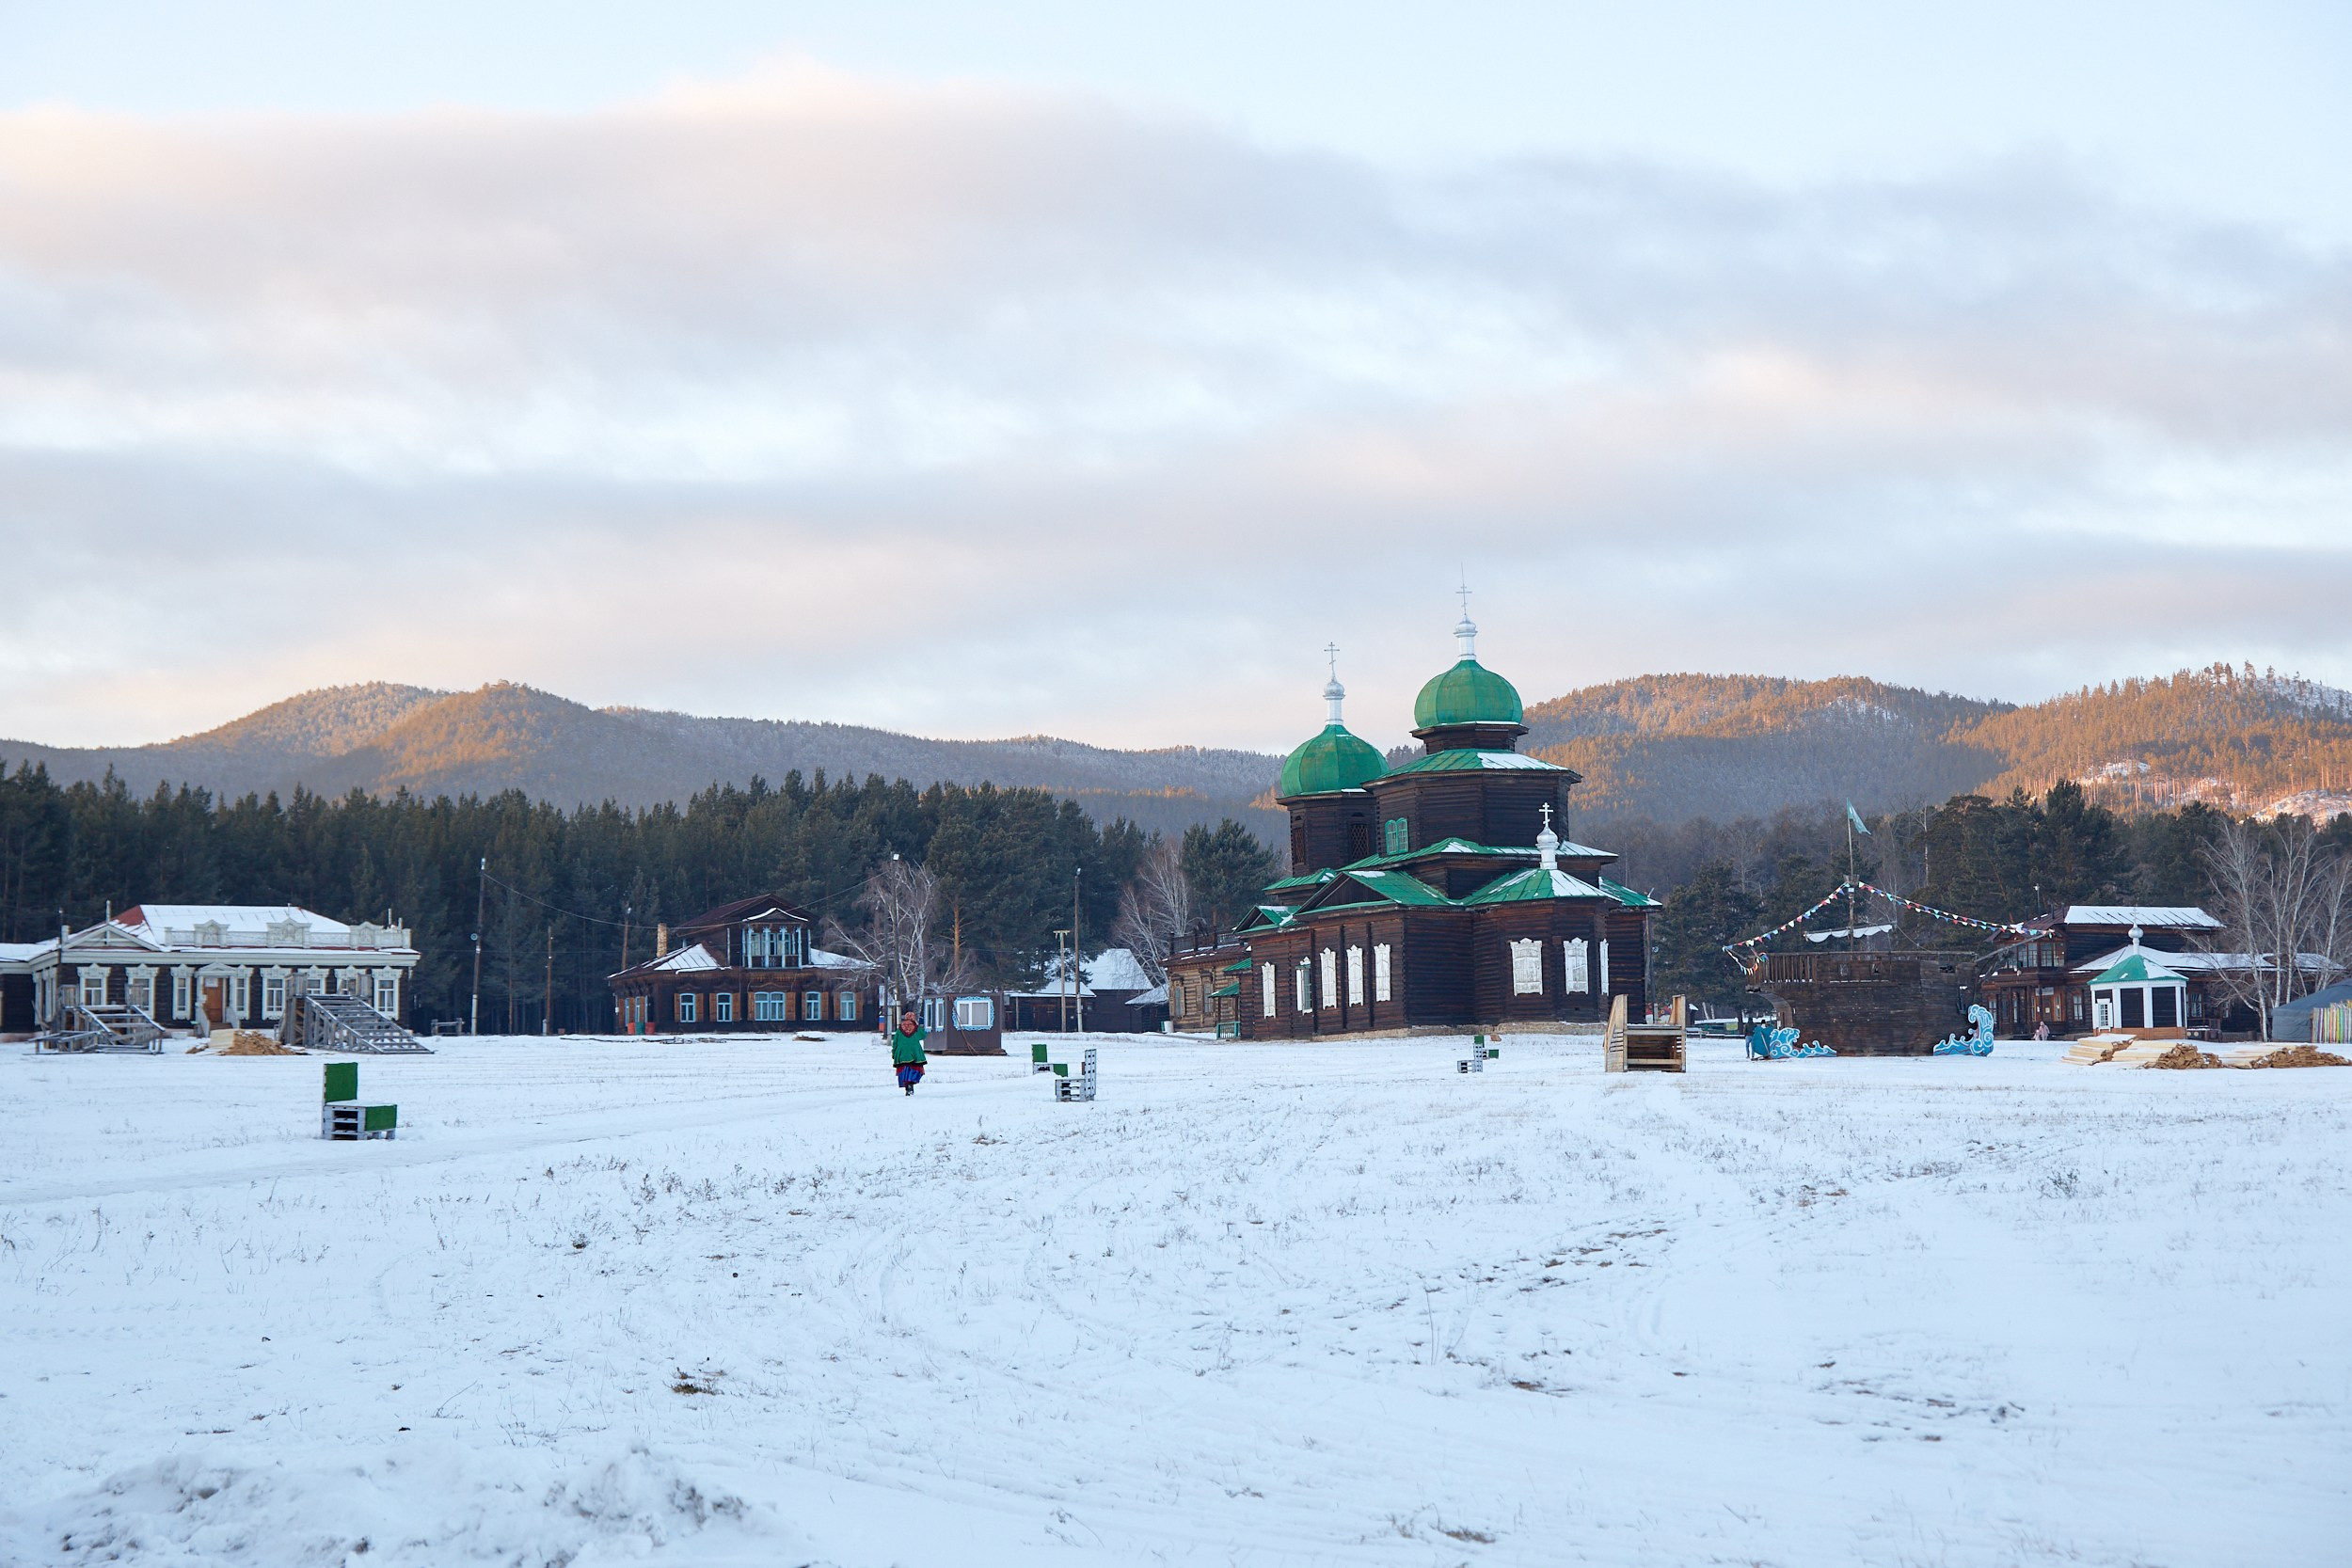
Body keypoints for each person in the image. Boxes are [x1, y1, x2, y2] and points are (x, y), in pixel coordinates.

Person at [890, 1008, 928, 1095]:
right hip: (915, 1052)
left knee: (905, 1069)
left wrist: (894, 1052)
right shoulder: (916, 1027)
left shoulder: (900, 1029)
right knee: (914, 1068)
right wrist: (917, 1026)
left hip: (902, 1052)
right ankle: (911, 1084)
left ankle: (907, 1086)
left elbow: (895, 1042)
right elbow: (922, 1036)